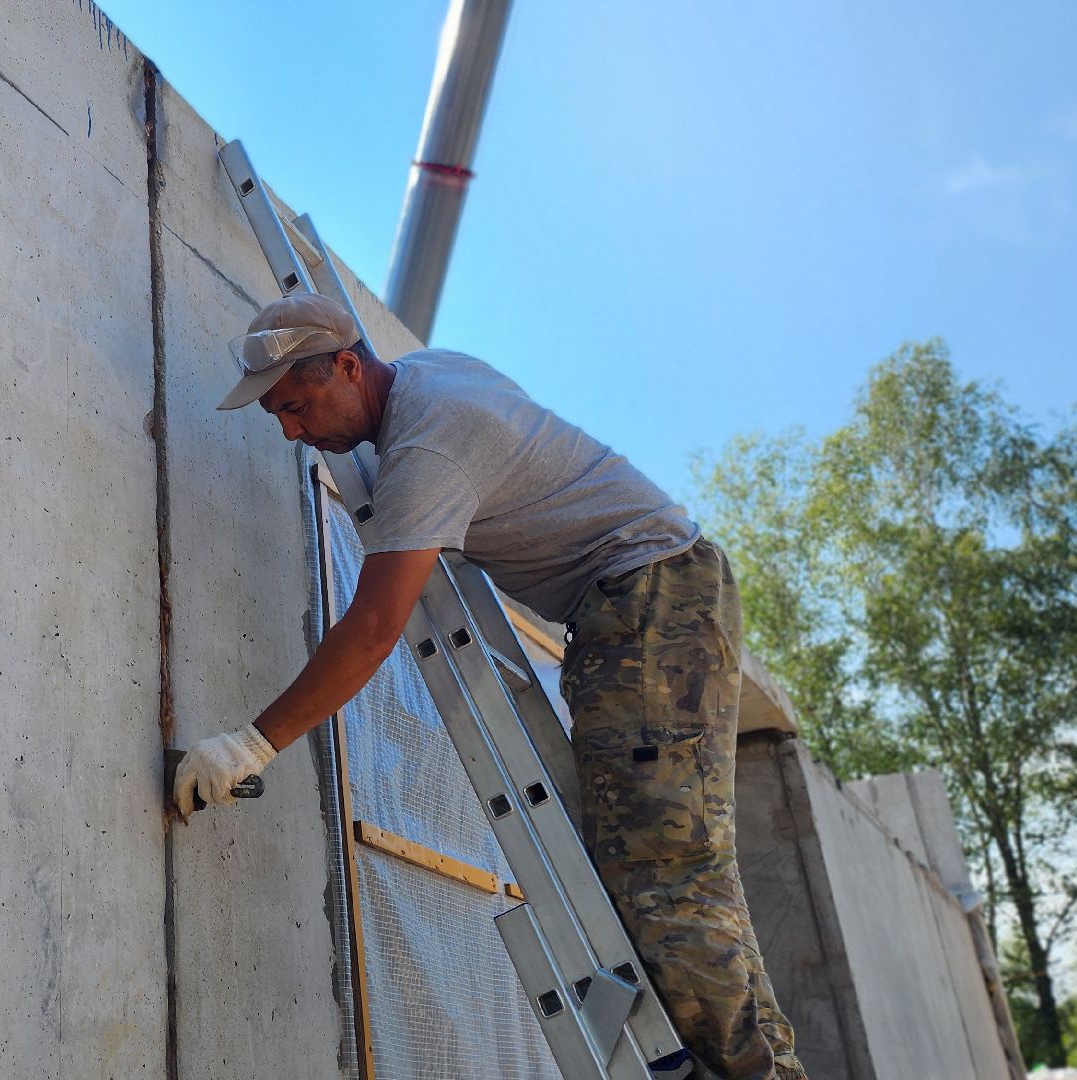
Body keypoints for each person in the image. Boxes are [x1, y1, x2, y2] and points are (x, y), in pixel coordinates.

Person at [170, 293, 806, 1080]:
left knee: (659, 879)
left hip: (648, 609)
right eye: (277, 418)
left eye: (297, 407)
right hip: (656, 598)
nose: (294, 433)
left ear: (346, 366)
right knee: (684, 872)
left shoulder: (431, 449)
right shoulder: (431, 376)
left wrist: (250, 745)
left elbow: (372, 631)